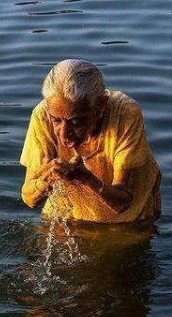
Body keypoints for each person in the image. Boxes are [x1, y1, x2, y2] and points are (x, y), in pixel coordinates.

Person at [20, 59, 161, 223]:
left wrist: (86, 178)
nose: (64, 134)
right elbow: (29, 199)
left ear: (101, 105)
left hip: (127, 223)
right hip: (64, 218)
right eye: (56, 120)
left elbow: (122, 203)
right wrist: (48, 179)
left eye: (76, 122)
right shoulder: (42, 115)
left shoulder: (125, 114)